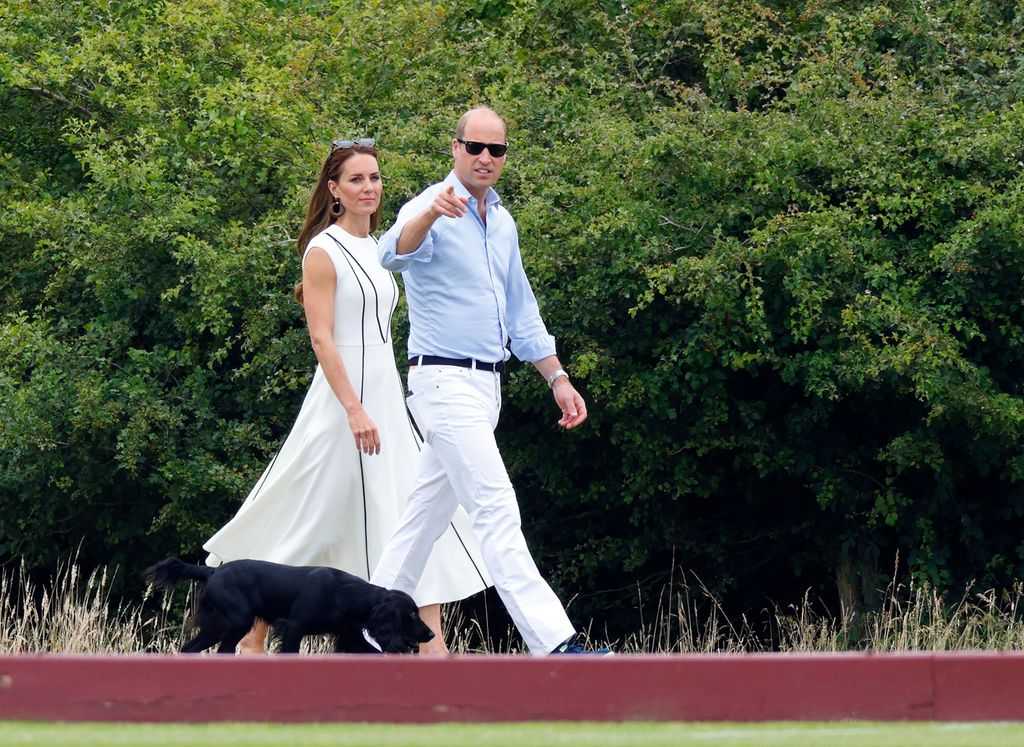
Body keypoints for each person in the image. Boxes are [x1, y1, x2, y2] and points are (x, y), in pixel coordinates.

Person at [203, 138, 491, 656]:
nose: (369, 188)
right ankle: (250, 641)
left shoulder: (379, 246)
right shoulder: (323, 249)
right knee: (311, 517)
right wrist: (354, 409)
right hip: (344, 402)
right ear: (334, 189)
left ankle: (434, 651)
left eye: (375, 178)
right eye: (356, 179)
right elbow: (322, 338)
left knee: (411, 513)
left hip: (387, 396)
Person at [370, 107, 608, 655]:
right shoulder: (432, 204)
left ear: (504, 157)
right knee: (496, 509)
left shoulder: (502, 222)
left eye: (495, 150)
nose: (485, 158)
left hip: (486, 387)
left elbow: (521, 310)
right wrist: (430, 215)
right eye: (474, 147)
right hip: (442, 382)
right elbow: (390, 253)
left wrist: (558, 378)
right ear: (454, 148)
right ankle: (556, 644)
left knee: (421, 521)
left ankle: (367, 631)